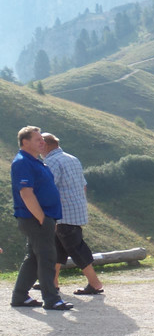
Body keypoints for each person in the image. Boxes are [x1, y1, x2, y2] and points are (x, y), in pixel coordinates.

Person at [10, 126, 71, 310]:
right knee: (47, 258)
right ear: (25, 142)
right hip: (35, 219)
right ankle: (51, 299)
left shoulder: (36, 162)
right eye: (37, 140)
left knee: (34, 258)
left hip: (41, 218)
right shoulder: (22, 162)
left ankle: (20, 297)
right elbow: (26, 193)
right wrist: (43, 219)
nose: (42, 142)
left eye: (42, 139)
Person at [40, 133, 105, 296]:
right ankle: (52, 282)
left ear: (46, 146)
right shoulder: (72, 158)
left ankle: (95, 283)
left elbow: (49, 187)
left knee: (75, 248)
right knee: (58, 247)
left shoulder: (51, 161)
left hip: (62, 213)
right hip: (75, 210)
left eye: (40, 145)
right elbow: (83, 185)